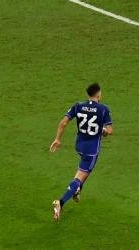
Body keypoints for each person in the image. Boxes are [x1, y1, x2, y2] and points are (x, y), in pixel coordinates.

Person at [49, 82, 113, 221]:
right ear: (98, 94)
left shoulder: (78, 106)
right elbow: (109, 131)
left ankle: (77, 191)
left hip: (79, 146)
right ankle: (60, 202)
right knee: (81, 176)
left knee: (84, 171)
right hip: (92, 150)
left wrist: (57, 139)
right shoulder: (103, 109)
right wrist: (102, 131)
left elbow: (64, 122)